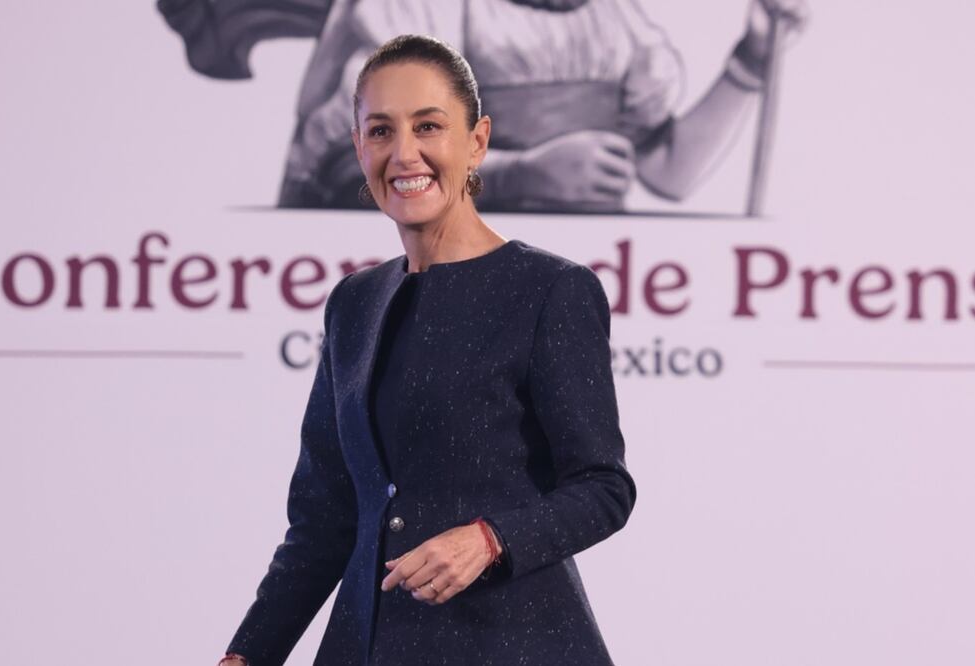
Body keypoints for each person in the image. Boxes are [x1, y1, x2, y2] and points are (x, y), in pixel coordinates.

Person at [217, 34, 636, 666]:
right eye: (381, 131)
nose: (404, 153)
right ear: (359, 146)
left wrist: (489, 540)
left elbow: (603, 487)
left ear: (477, 141)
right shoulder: (353, 302)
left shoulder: (551, 289)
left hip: (510, 646)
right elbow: (325, 518)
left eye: (429, 126)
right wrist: (247, 653)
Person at [160, 0, 810, 213]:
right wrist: (521, 175)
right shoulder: (417, 10)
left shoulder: (616, 24)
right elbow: (346, 172)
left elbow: (667, 171)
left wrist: (752, 60)